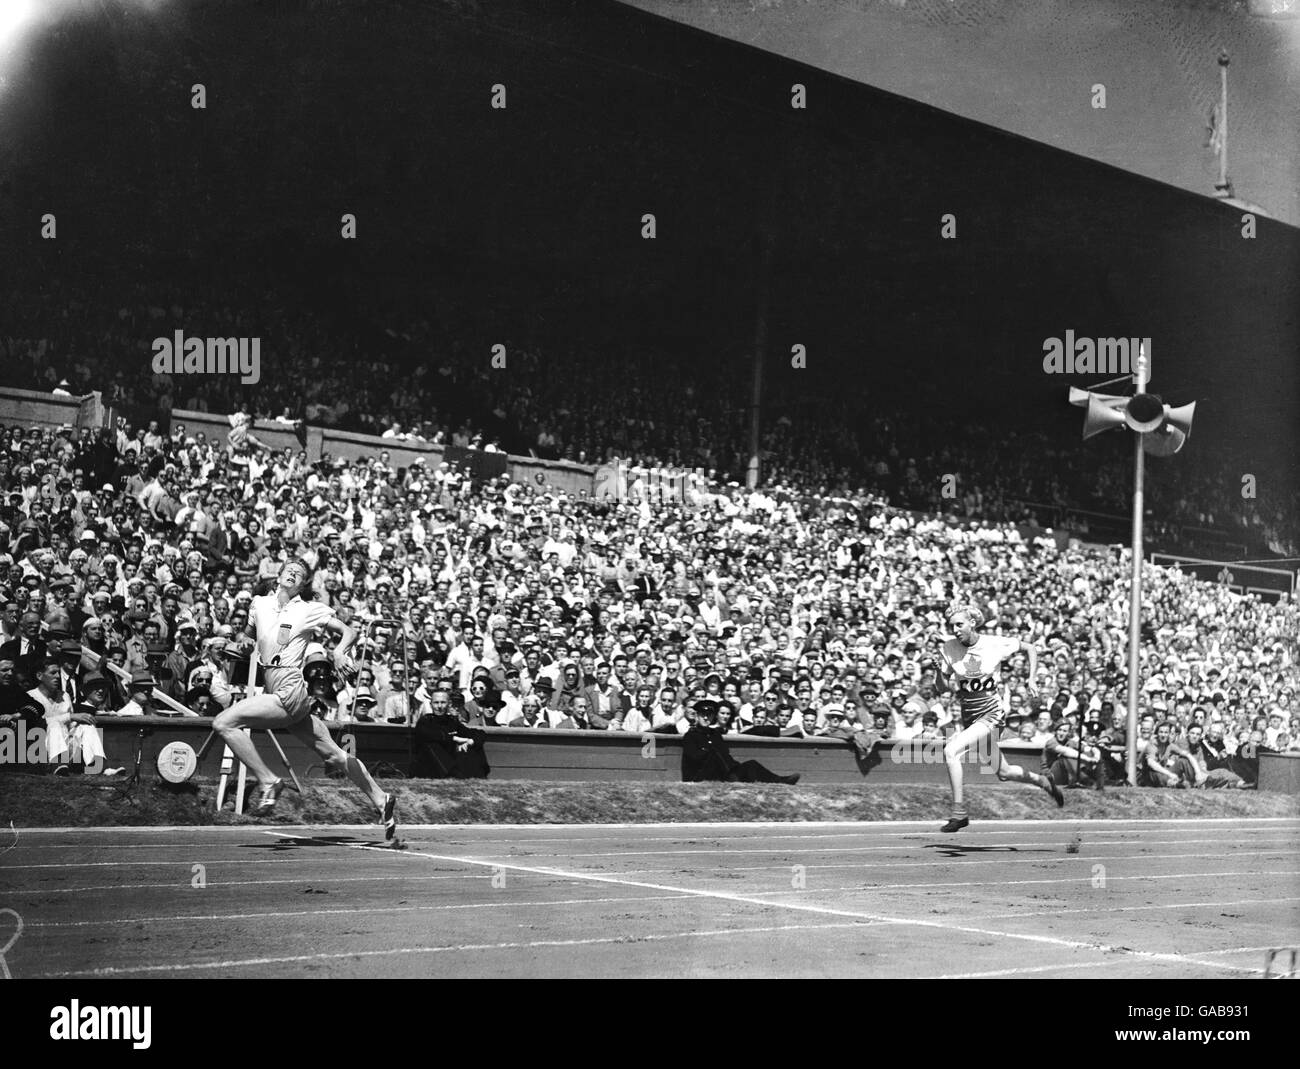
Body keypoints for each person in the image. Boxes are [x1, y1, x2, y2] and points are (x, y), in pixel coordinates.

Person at [212, 558, 397, 839]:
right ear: (279, 576)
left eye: (299, 574)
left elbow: (349, 631)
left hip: (290, 688)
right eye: (289, 570)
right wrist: (242, 643)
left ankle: (269, 781)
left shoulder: (309, 610)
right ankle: (381, 799)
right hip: (276, 689)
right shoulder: (259, 604)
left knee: (224, 723)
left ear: (303, 584)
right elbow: (246, 637)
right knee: (334, 755)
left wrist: (338, 652)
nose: (293, 574)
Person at [936, 604, 1062, 832]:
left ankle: (959, 812)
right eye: (951, 625)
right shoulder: (948, 648)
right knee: (1003, 772)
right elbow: (943, 688)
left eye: (959, 624)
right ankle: (1043, 782)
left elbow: (1030, 647)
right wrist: (938, 672)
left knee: (950, 751)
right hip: (970, 716)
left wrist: (1031, 679)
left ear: (972, 623)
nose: (954, 630)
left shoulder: (993, 643)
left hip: (992, 713)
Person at [681, 699, 800, 784]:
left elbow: (725, 755)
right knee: (713, 753)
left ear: (713, 717)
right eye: (703, 715)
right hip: (701, 776)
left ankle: (780, 781)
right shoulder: (691, 735)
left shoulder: (715, 734)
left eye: (709, 715)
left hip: (722, 774)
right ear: (697, 716)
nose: (706, 718)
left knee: (751, 765)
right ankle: (735, 777)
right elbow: (694, 759)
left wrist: (736, 768)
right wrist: (709, 751)